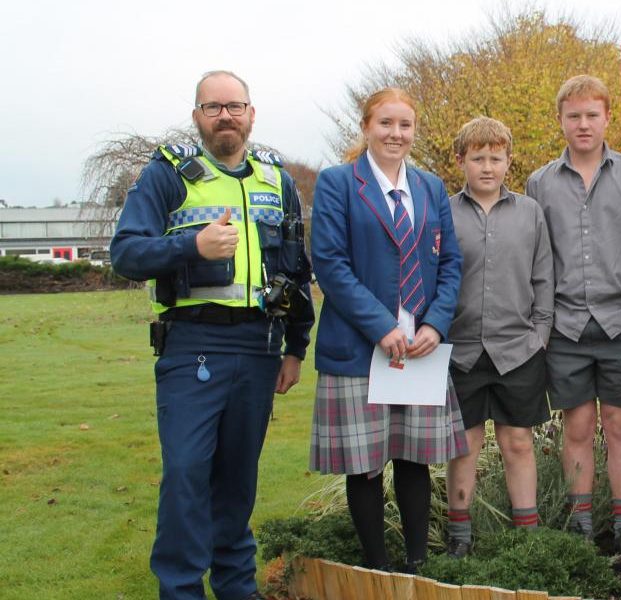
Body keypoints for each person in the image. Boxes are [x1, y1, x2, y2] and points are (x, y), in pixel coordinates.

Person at [110, 70, 315, 600]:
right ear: (197, 116)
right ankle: (180, 590)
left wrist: (296, 347)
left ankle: (236, 588)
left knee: (237, 482)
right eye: (213, 107)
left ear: (251, 114)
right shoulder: (169, 173)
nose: (225, 115)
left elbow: (295, 269)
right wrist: (190, 248)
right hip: (192, 346)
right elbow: (126, 253)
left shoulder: (277, 181)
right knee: (185, 475)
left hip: (258, 349)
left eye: (235, 105)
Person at [308, 87, 466, 573]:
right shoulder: (338, 184)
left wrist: (436, 324)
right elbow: (330, 265)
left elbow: (451, 264)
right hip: (361, 348)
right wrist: (380, 326)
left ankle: (417, 563)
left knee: (414, 459)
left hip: (419, 349)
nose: (396, 134)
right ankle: (377, 566)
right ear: (366, 127)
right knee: (367, 464)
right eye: (386, 124)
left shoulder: (430, 187)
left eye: (405, 125)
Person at [524, 75, 621, 571]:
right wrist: (543, 320)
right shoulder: (539, 182)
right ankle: (581, 532)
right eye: (573, 116)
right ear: (561, 120)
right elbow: (536, 256)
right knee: (577, 427)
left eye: (591, 115)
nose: (583, 124)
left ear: (608, 118)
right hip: (566, 328)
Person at [443, 117, 554, 557]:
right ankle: (460, 536)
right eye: (477, 158)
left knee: (518, 442)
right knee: (464, 445)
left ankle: (527, 535)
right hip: (461, 351)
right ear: (461, 161)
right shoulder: (443, 212)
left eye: (495, 157)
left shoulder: (530, 212)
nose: (487, 167)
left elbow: (543, 275)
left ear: (508, 159)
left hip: (518, 350)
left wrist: (541, 332)